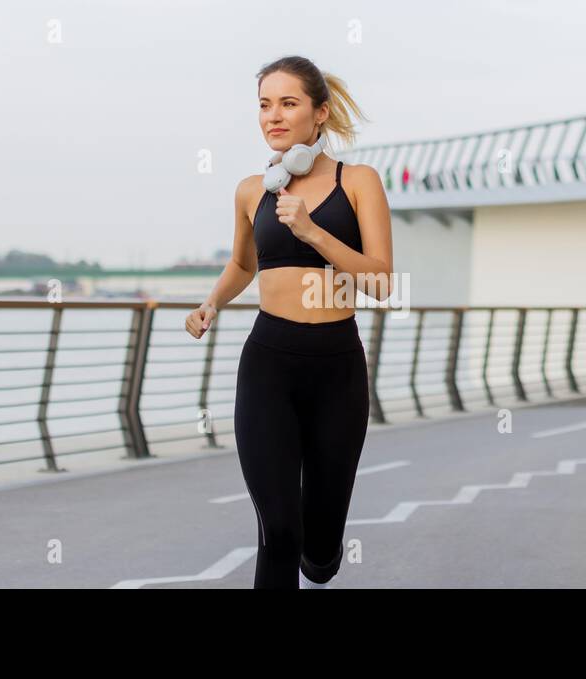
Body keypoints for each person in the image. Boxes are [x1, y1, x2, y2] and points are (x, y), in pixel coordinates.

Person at [184, 55, 394, 588]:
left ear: (319, 113)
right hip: (268, 364)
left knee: (318, 551)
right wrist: (211, 303)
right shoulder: (253, 190)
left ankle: (321, 553)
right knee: (278, 529)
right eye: (264, 104)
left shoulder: (359, 181)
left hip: (336, 369)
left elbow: (382, 284)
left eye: (288, 103)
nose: (273, 116)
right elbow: (242, 264)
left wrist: (314, 233)